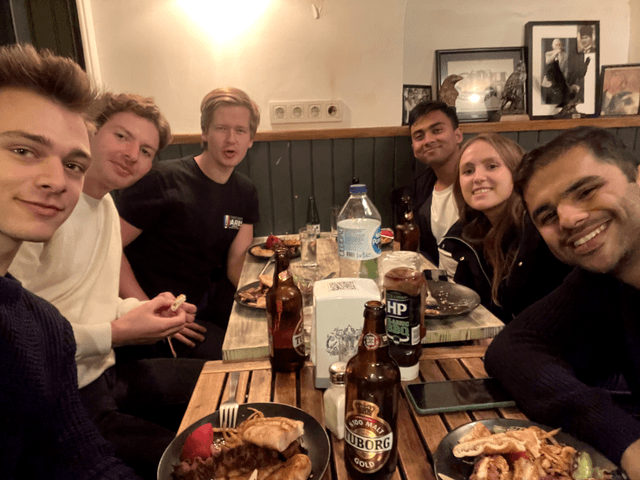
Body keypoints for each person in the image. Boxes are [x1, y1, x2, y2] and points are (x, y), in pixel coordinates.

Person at [9, 91, 207, 479]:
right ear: (89, 133)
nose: (132, 155)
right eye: (121, 136)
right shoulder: (39, 212)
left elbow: (96, 302)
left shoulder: (106, 207)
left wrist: (146, 310)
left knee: (227, 387)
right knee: (197, 461)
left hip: (107, 374)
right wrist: (117, 333)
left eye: (146, 151)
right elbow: (26, 342)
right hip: (62, 399)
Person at [0, 44, 139, 479]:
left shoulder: (39, 326)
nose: (56, 180)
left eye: (74, 165)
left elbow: (86, 461)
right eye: (23, 150)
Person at [485, 127, 640, 480]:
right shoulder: (601, 281)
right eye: (548, 216)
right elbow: (510, 348)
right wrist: (624, 437)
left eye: (586, 191)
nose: (568, 219)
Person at [116, 87, 261, 359]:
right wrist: (146, 311)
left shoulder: (245, 191)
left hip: (203, 303)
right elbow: (110, 248)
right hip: (153, 312)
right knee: (237, 358)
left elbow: (236, 262)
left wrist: (267, 292)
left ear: (251, 139)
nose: (231, 139)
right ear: (204, 133)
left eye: (240, 130)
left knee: (269, 336)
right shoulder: (162, 180)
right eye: (221, 128)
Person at [439, 133, 572, 322]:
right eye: (468, 171)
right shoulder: (467, 234)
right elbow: (466, 303)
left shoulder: (541, 228)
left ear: (517, 172)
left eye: (492, 166)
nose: (478, 178)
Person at [396, 100, 462, 272]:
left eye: (437, 130)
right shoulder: (420, 189)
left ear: (458, 135)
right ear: (414, 148)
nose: (428, 140)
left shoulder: (481, 183)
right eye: (419, 136)